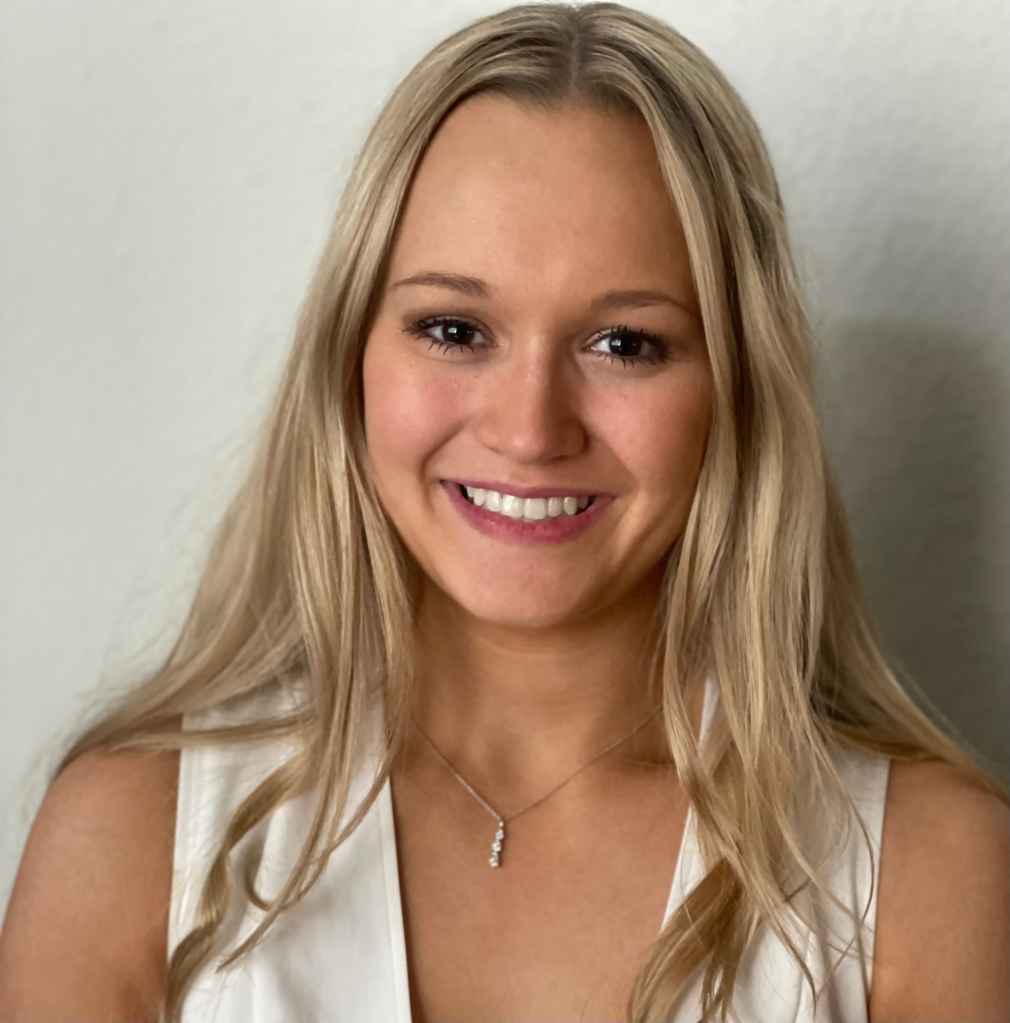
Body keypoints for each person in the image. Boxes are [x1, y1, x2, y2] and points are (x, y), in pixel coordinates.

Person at [1, 3, 1007, 1021]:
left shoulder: (927, 873)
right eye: (454, 329)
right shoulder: (131, 842)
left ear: (738, 392)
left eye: (624, 344)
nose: (529, 430)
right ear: (350, 360)